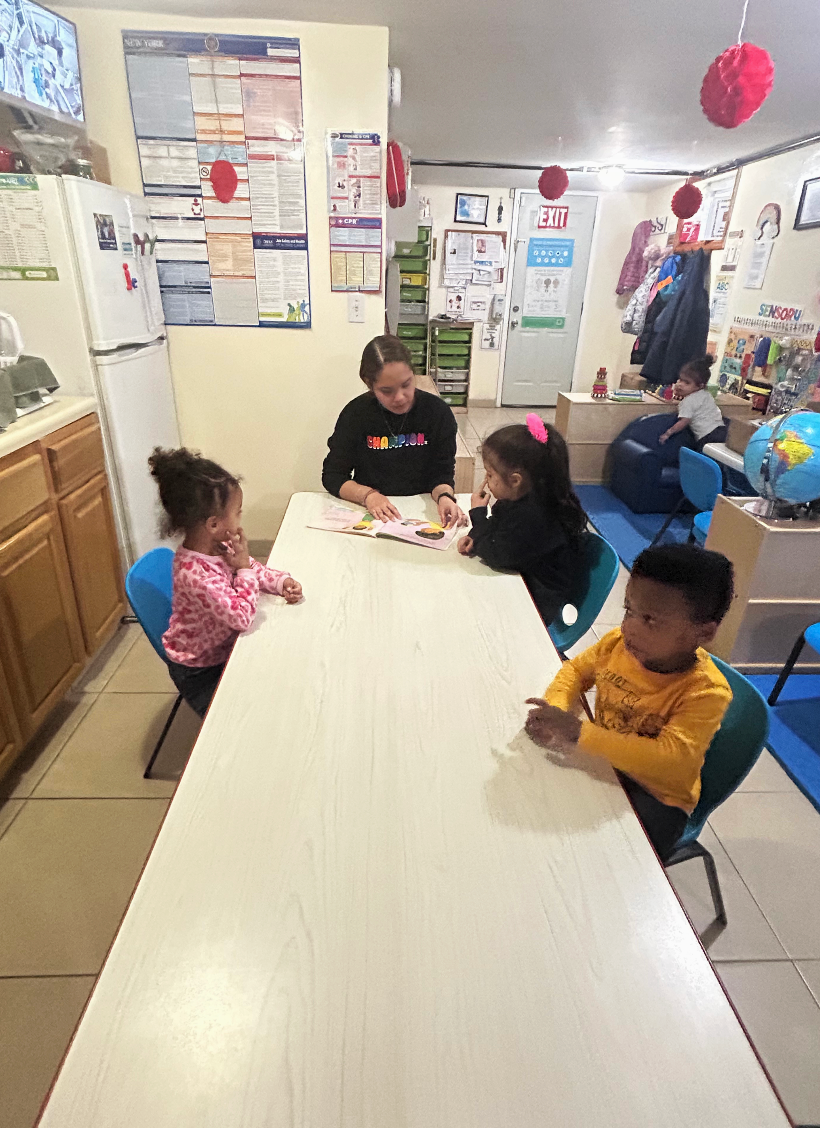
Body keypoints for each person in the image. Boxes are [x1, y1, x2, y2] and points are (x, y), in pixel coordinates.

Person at [524, 544, 734, 862]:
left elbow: (669, 761)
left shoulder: (706, 692)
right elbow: (576, 671)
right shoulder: (617, 646)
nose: (629, 627)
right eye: (629, 610)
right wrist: (557, 708)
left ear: (702, 632)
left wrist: (581, 734)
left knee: (606, 861)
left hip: (657, 798)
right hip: (607, 764)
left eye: (650, 620)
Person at [148, 448, 302, 718]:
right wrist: (243, 569)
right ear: (214, 524)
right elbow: (242, 616)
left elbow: (249, 565)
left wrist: (279, 581)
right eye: (238, 512)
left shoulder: (219, 544)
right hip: (200, 670)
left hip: (223, 646)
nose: (240, 518)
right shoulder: (195, 575)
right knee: (241, 718)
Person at [322, 334, 466, 528]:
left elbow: (442, 473)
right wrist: (368, 496)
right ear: (369, 384)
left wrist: (445, 497)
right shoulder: (356, 414)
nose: (399, 398)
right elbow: (333, 476)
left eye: (406, 384)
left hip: (421, 513)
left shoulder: (436, 412)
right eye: (386, 391)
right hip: (373, 512)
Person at [458, 414, 588, 626]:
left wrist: (478, 516)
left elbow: (498, 554)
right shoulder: (522, 498)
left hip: (537, 603)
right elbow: (500, 530)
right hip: (522, 579)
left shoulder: (535, 515)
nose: (486, 481)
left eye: (490, 475)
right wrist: (475, 535)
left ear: (515, 480)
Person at [658, 355, 726, 452]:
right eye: (680, 380)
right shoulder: (706, 394)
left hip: (707, 436)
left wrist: (668, 433)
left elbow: (684, 422)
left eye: (687, 383)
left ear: (700, 386)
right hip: (721, 430)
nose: (680, 384)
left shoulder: (688, 402)